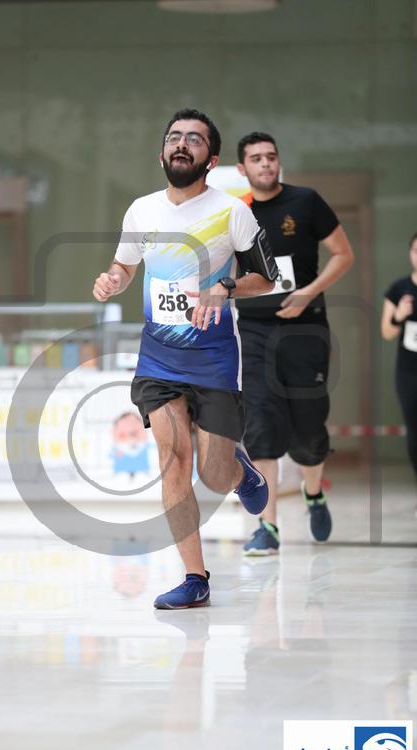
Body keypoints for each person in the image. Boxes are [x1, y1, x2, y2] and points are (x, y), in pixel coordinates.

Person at [93, 109, 277, 609]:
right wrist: (113, 280)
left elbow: (266, 279)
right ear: (161, 154)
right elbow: (125, 265)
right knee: (173, 461)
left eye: (194, 140)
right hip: (159, 357)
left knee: (214, 475)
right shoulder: (142, 211)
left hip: (214, 356)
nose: (182, 144)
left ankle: (240, 473)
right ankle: (195, 577)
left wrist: (225, 287)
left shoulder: (232, 212)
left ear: (210, 159)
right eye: (174, 137)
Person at [235, 132, 354, 555]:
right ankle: (267, 526)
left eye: (271, 156)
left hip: (306, 330)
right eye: (256, 158)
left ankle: (313, 493)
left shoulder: (306, 202)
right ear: (242, 169)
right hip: (254, 331)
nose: (265, 163)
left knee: (308, 428)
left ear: (279, 162)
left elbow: (343, 254)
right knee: (261, 426)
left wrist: (308, 292)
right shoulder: (236, 212)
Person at [381, 232, 417, 487]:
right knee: (414, 428)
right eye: (416, 250)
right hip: (409, 371)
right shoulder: (399, 289)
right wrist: (400, 315)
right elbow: (387, 332)